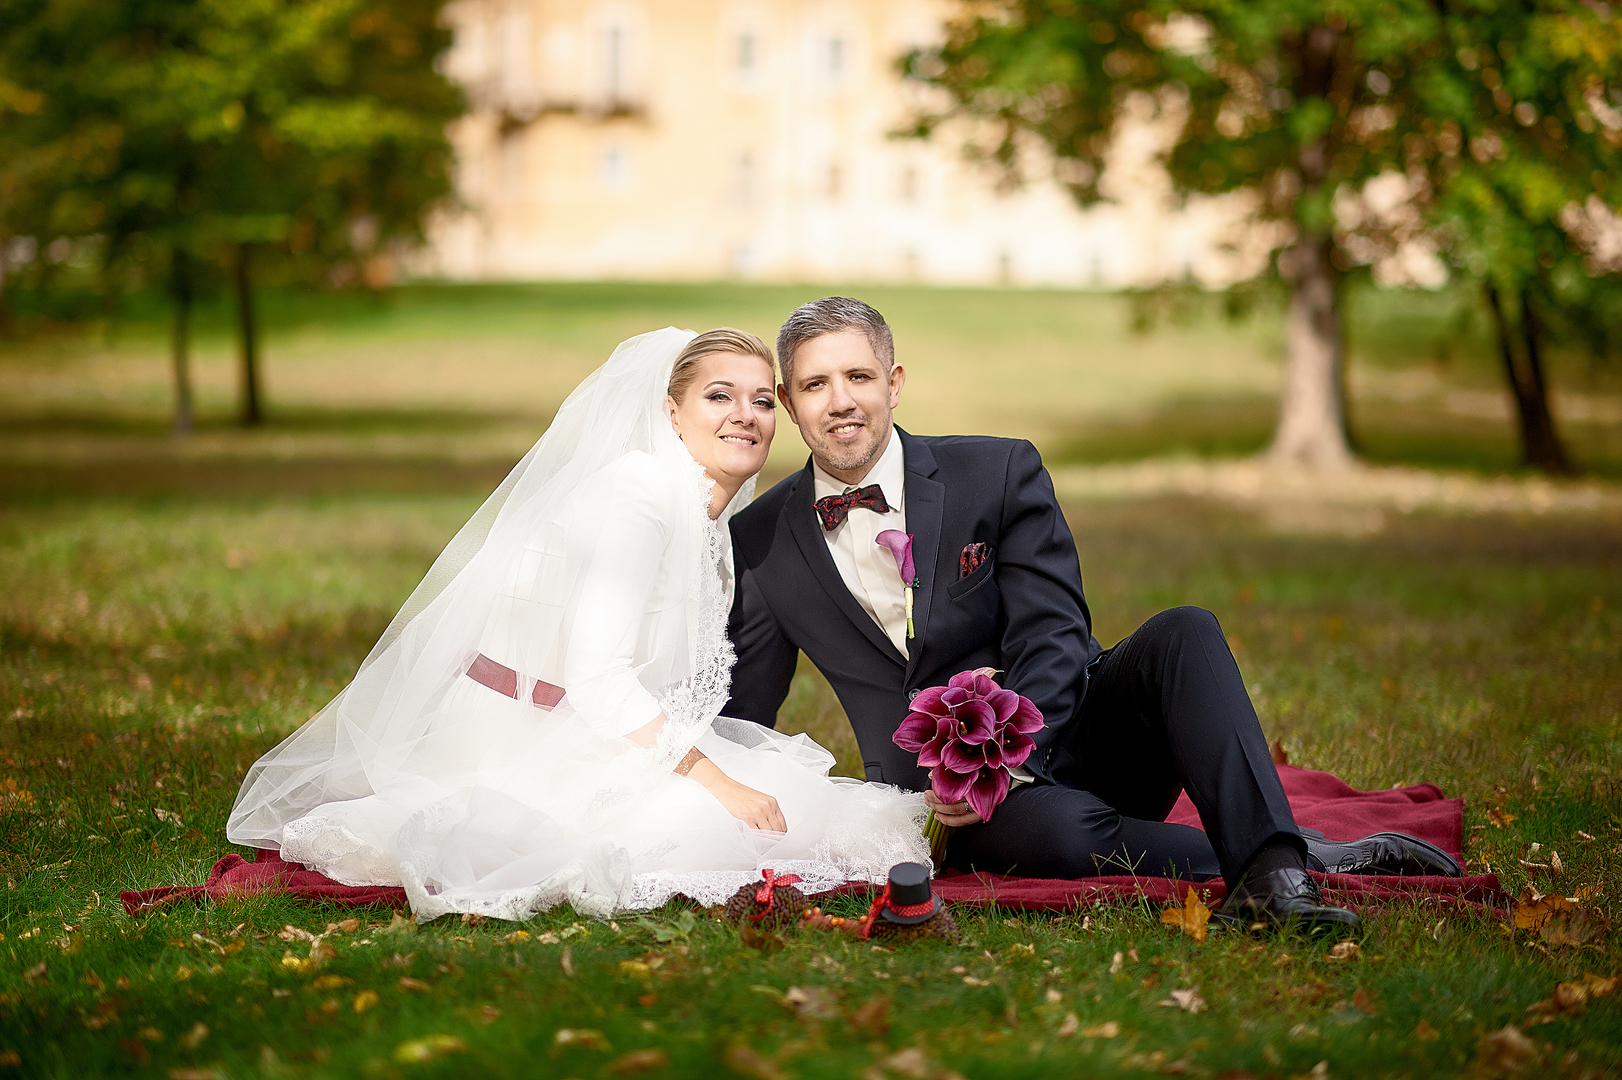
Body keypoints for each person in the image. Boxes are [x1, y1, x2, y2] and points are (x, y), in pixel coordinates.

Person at [723, 297, 1462, 934]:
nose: (840, 400)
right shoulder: (761, 541)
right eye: (816, 384)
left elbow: (1054, 632)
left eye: (857, 376)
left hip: (1081, 728)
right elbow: (745, 708)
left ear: (895, 382)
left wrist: (1013, 760)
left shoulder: (998, 469)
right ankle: (1294, 848)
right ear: (790, 404)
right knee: (1063, 834)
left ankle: (1273, 884)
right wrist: (702, 782)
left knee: (1185, 630)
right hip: (956, 806)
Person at [227, 327, 928, 921]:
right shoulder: (637, 499)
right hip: (524, 736)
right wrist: (716, 781)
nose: (744, 414)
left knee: (794, 806)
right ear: (671, 411)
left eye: (759, 399)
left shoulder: (697, 508)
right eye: (719, 396)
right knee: (727, 819)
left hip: (597, 729)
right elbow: (598, 679)